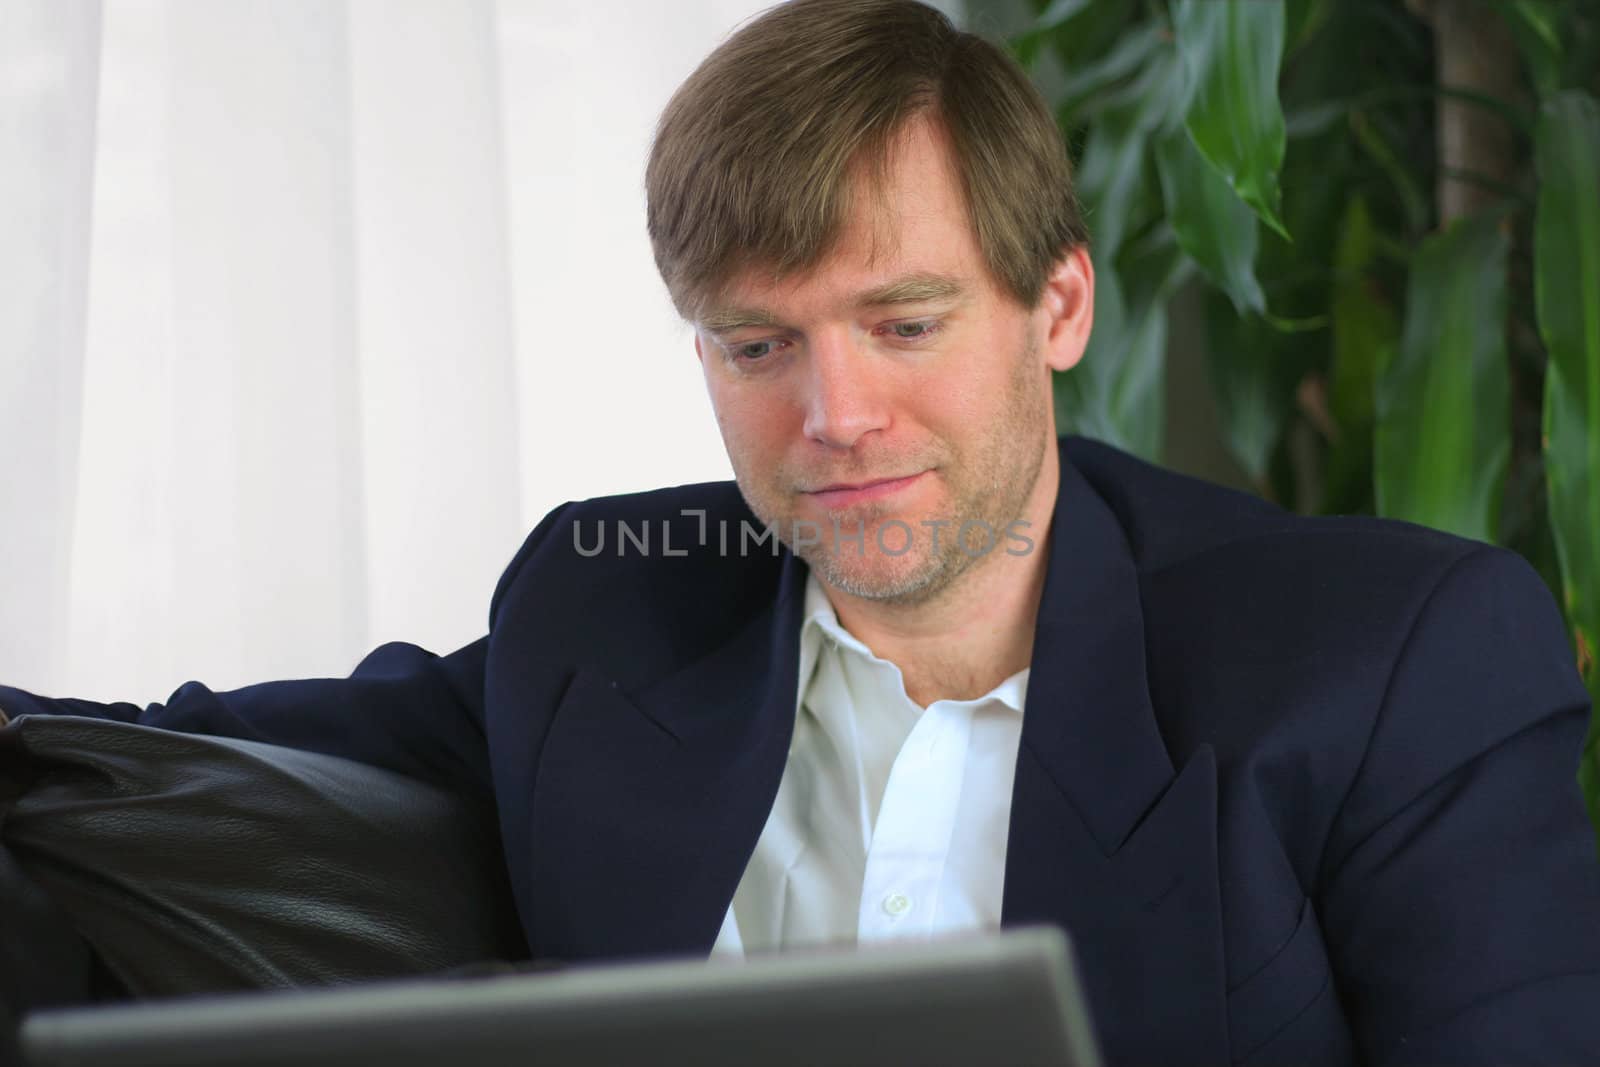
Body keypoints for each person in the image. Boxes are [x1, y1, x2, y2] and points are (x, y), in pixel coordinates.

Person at [4, 1, 1598, 1063]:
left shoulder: (1393, 660)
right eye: (757, 346)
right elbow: (168, 762)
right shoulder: (610, 611)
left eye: (901, 324)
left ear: (1057, 302)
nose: (830, 413)